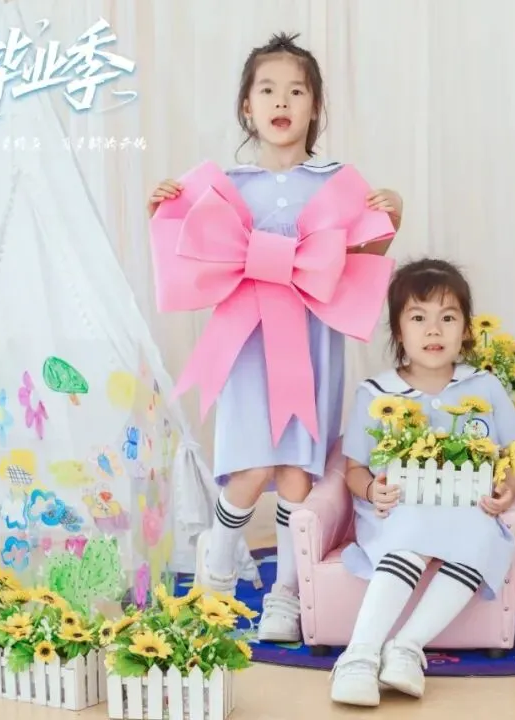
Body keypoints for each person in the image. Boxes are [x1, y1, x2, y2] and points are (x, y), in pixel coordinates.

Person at [146, 32, 403, 644]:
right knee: (249, 465)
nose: (281, 101)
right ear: (247, 106)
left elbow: (365, 257)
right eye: (267, 90)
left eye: (296, 91)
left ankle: (286, 592)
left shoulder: (336, 182)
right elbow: (191, 249)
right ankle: (218, 564)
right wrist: (162, 208)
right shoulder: (226, 184)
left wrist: (392, 212)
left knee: (296, 472)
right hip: (247, 341)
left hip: (310, 342)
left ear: (315, 107)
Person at [331, 258, 515, 707]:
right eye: (418, 318)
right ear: (399, 331)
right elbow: (354, 469)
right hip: (399, 510)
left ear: (466, 330)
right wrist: (371, 490)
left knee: (480, 537)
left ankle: (406, 647)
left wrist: (509, 488)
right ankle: (358, 655)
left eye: (448, 318)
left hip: (467, 508)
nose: (434, 331)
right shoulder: (376, 393)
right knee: (411, 532)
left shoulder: (484, 386)